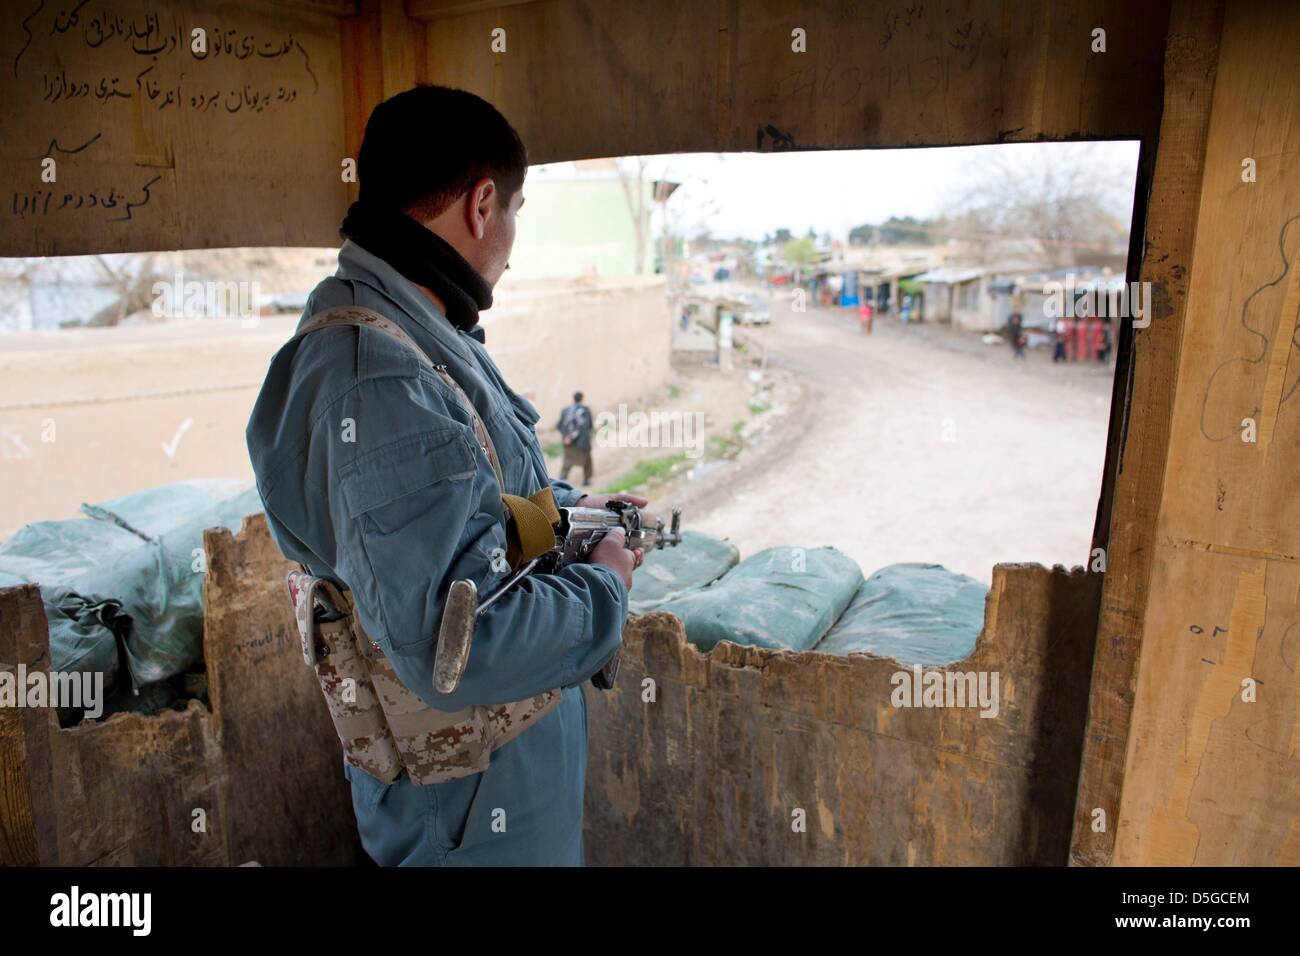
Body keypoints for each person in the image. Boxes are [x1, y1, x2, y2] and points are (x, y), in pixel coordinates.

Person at [245, 85, 647, 866]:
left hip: (493, 773)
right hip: (470, 802)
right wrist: (606, 586)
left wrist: (569, 516)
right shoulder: (381, 379)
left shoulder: (411, 330)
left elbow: (472, 510)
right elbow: (455, 648)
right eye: (515, 213)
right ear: (482, 204)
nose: (511, 241)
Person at [557, 391, 594, 485]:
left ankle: (562, 478)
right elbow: (589, 426)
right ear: (582, 399)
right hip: (582, 442)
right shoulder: (585, 410)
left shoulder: (565, 410)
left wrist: (567, 437)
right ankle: (587, 480)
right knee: (586, 460)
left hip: (568, 441)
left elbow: (559, 426)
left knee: (568, 459)